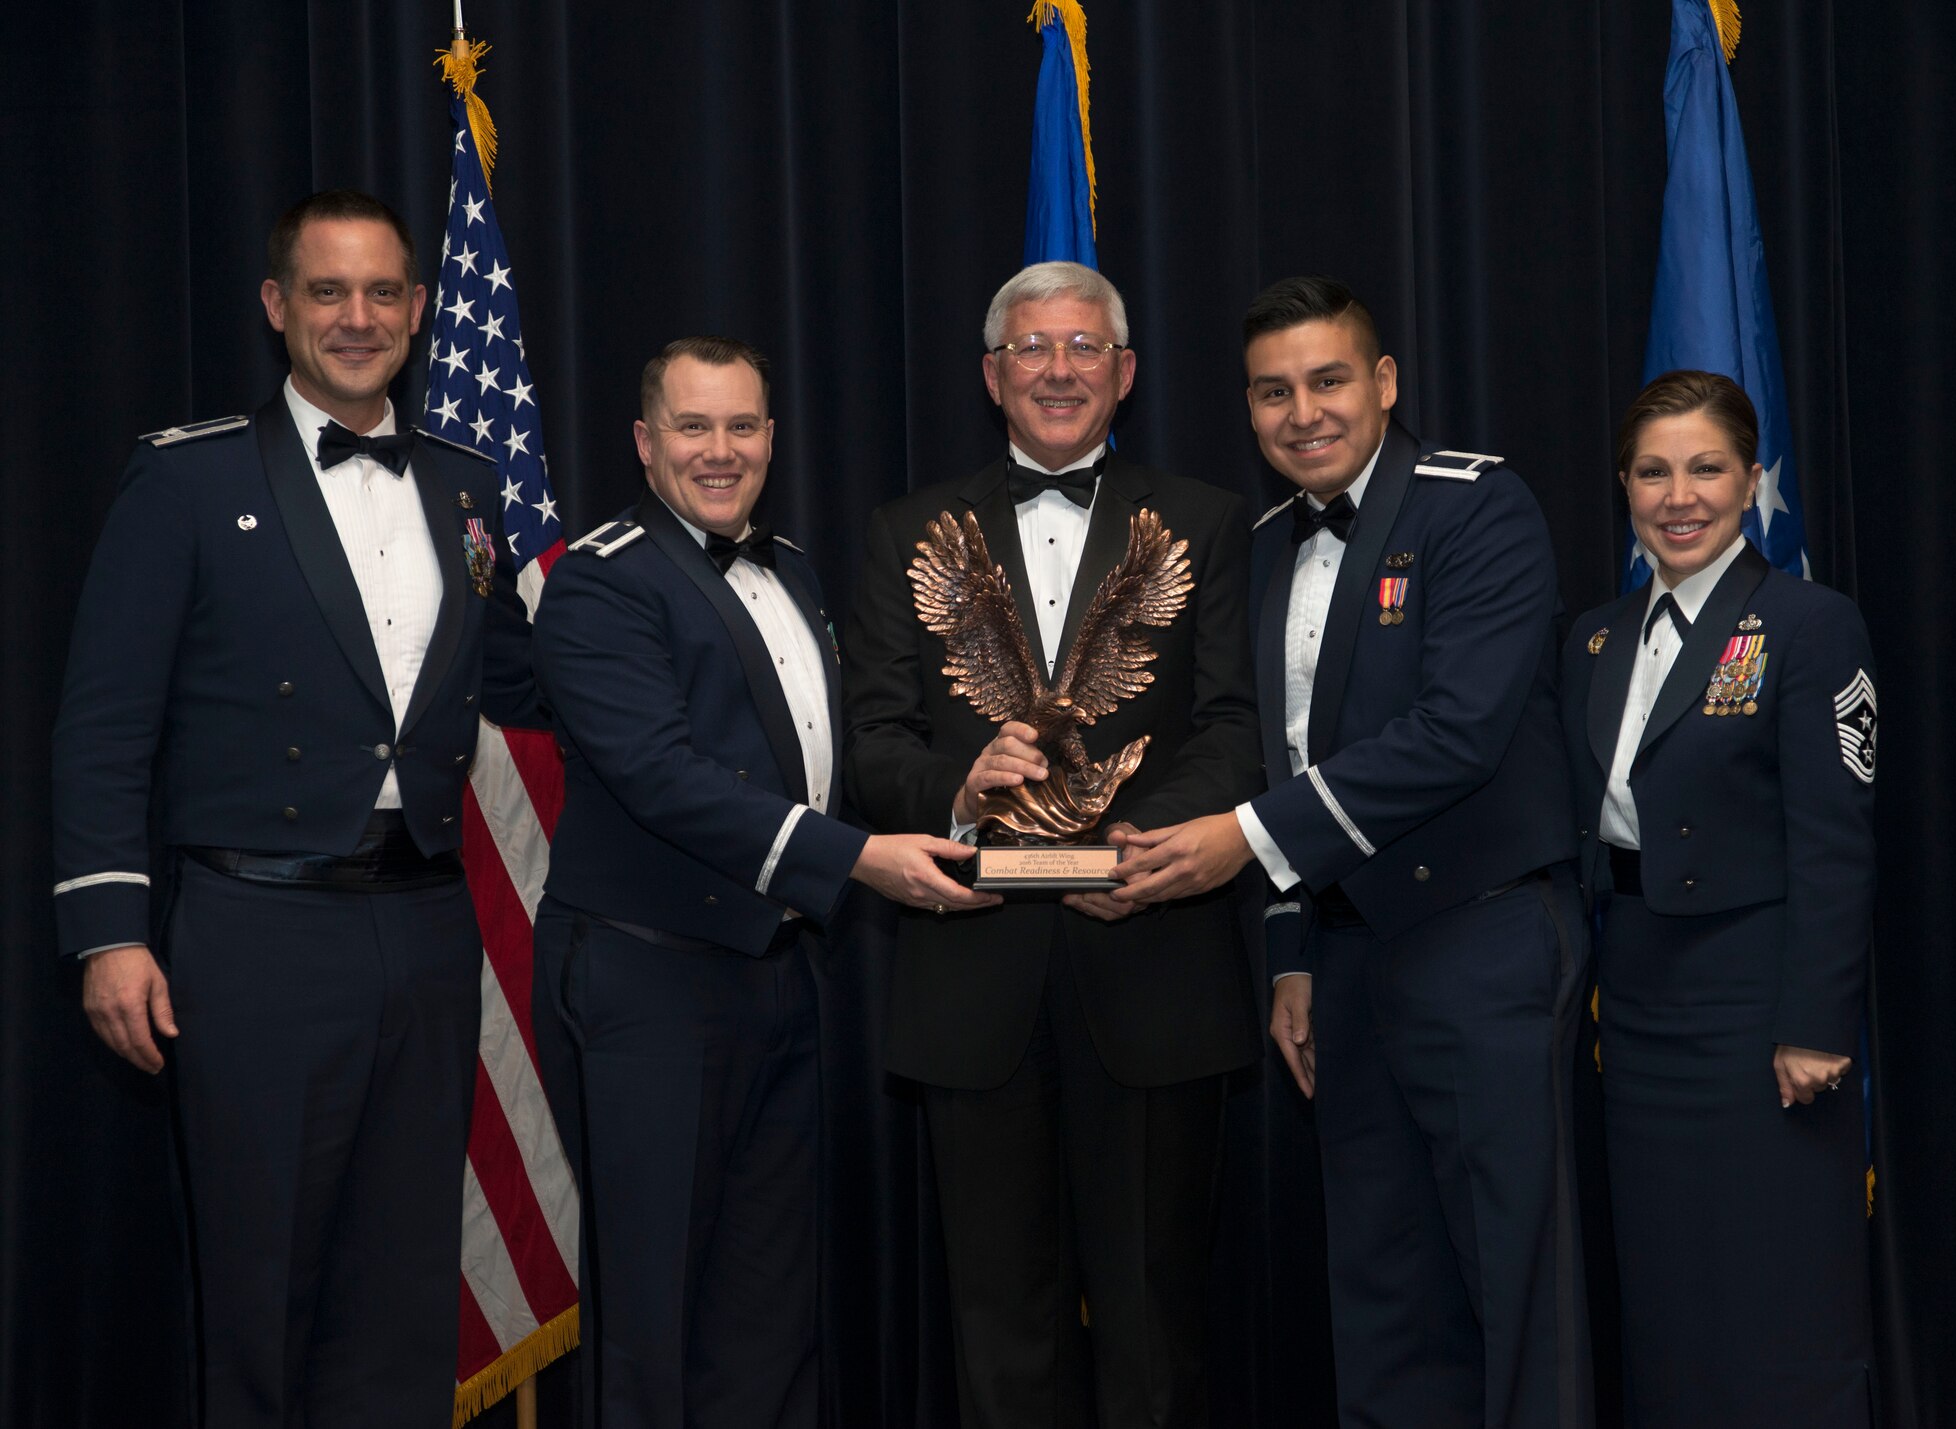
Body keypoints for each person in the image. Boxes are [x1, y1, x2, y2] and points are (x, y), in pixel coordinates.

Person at [50, 189, 540, 1428]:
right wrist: (111, 931)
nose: (358, 317)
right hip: (255, 934)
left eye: (383, 293)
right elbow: (106, 724)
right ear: (278, 308)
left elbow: (531, 679)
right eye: (329, 292)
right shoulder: (187, 480)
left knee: (402, 1290)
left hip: (426, 932)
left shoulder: (466, 487)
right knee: (263, 1290)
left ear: (422, 313)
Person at [1113, 276, 1593, 1428]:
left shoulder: (1475, 507)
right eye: (1272, 392)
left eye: (1328, 380)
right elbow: (1277, 756)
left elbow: (1455, 734)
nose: (1302, 412)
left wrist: (1242, 841)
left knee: (1512, 1282)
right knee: (1381, 1286)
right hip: (1346, 963)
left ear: (1382, 383)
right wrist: (1289, 951)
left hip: (1480, 938)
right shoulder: (1266, 544)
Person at [529, 336, 992, 1428]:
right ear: (645, 443)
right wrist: (859, 861)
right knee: (654, 1314)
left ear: (773, 440)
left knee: (771, 1307)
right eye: (693, 426)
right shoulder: (599, 579)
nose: (720, 450)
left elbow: (821, 760)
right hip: (650, 981)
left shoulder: (789, 567)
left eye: (742, 426)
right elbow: (660, 776)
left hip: (781, 974)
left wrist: (962, 806)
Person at [841, 262, 1262, 1428]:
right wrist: (956, 787)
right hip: (973, 983)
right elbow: (868, 742)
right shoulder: (905, 532)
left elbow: (1236, 727)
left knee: (1155, 1328)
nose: (1058, 369)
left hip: (1155, 964)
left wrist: (1153, 843)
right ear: (991, 375)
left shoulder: (1203, 521)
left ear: (1124, 373)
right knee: (1000, 1331)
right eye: (1032, 349)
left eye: (1084, 347)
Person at [1560, 369, 1876, 1426]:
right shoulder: (1593, 639)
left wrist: (1813, 1022)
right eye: (1652, 471)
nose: (1676, 495)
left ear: (1749, 482)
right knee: (1667, 1296)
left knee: (1779, 1292)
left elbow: (1835, 845)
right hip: (1638, 1008)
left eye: (1703, 469)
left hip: (1760, 1010)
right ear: (1623, 486)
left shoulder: (1807, 624)